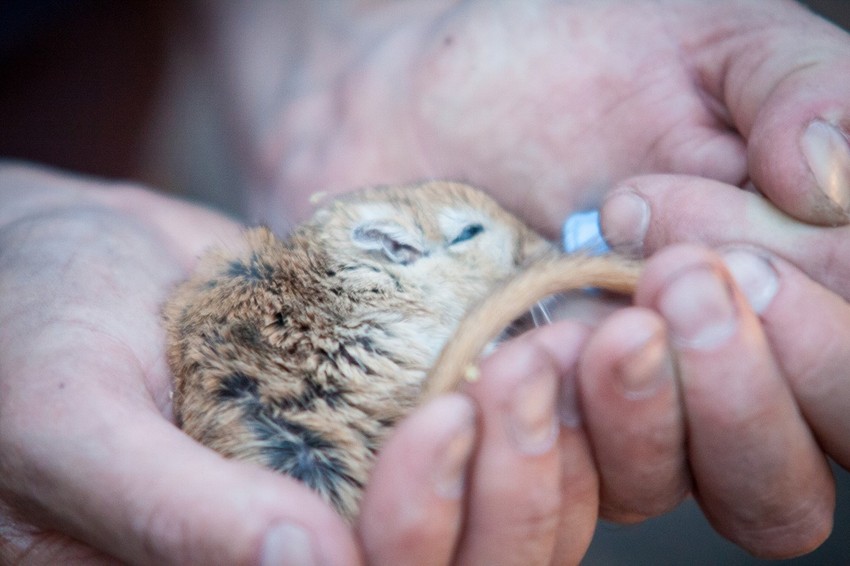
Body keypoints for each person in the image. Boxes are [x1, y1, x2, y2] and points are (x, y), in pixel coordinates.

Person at [1, 0, 849, 563]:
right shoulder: (364, 290)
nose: (520, 245)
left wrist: (354, 38)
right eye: (483, 234)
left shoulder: (360, 263)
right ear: (387, 249)